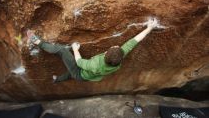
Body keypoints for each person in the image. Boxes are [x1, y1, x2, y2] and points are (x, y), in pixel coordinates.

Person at [27, 17, 159, 82]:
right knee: (70, 74)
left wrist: (75, 49)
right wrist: (149, 28)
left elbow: (79, 63)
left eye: (115, 46)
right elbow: (134, 41)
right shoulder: (117, 61)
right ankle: (57, 80)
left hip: (81, 72)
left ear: (106, 53)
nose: (117, 46)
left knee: (62, 52)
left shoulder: (95, 64)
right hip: (88, 77)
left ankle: (37, 41)